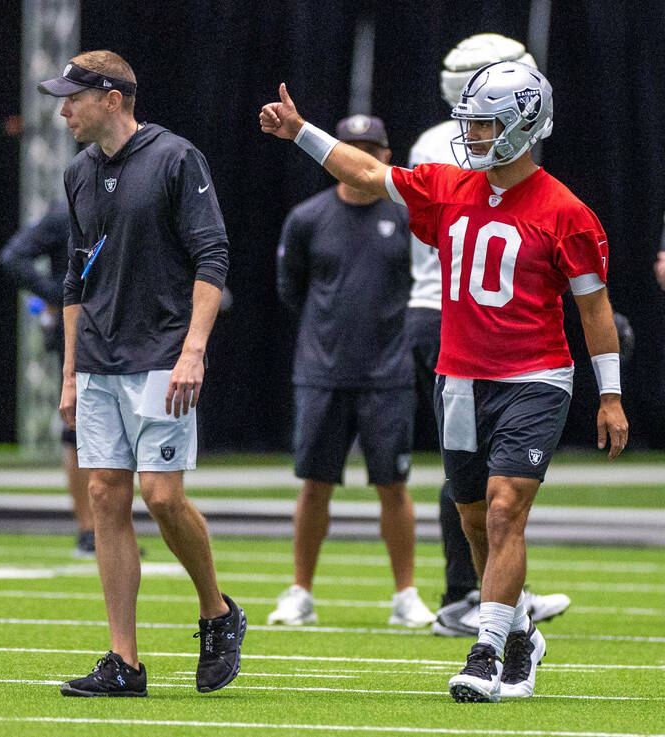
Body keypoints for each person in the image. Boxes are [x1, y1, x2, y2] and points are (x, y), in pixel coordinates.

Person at [260, 61, 627, 702]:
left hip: (535, 376)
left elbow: (594, 309)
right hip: (458, 378)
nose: (475, 137)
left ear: (524, 125)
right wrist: (301, 132)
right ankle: (517, 638)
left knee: (508, 507)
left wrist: (612, 393)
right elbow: (369, 174)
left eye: (487, 125)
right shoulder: (448, 186)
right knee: (476, 519)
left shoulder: (567, 211)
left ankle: (485, 651)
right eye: (473, 124)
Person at [38, 50, 244, 697]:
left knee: (161, 494)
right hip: (98, 358)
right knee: (105, 494)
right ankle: (124, 662)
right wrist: (69, 372)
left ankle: (217, 611)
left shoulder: (176, 158)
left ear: (113, 97)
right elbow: (76, 276)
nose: (63, 109)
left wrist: (194, 349)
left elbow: (214, 255)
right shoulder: (76, 173)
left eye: (73, 96)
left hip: (161, 354)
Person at [406, 34, 573, 637]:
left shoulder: (527, 174)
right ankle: (466, 593)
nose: (473, 131)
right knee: (468, 483)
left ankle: (494, 599)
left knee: (493, 492)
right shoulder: (454, 151)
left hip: (483, 324)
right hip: (452, 316)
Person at [269, 115, 436, 629]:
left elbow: (427, 286)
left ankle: (405, 593)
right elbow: (291, 290)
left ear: (386, 156)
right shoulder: (306, 218)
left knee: (393, 483)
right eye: (351, 148)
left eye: (371, 148)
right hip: (322, 372)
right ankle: (300, 591)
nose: (361, 157)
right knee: (314, 484)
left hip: (388, 374)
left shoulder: (408, 218)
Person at [0, 202, 96, 557]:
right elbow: (13, 256)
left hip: (122, 331)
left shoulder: (127, 205)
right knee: (78, 430)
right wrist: (57, 293)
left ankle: (108, 529)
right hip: (78, 334)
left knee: (113, 433)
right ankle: (89, 530)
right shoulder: (66, 213)